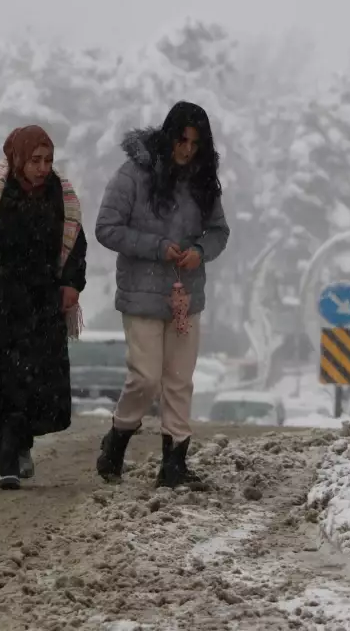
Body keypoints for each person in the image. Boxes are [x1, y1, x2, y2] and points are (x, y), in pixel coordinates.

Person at [94, 101, 229, 488]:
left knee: (179, 380)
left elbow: (219, 232)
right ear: (168, 136)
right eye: (182, 140)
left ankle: (175, 463)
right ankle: (118, 437)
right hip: (142, 294)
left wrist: (200, 252)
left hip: (186, 296)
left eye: (195, 143)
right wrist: (156, 247)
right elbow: (106, 227)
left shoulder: (204, 182)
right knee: (146, 379)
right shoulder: (134, 175)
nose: (187, 150)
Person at [0, 125, 88, 489]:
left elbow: (75, 246)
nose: (43, 168)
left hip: (41, 308)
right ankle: (5, 460)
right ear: (17, 158)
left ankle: (20, 445)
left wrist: (71, 284)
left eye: (49, 160)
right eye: (36, 160)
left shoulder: (62, 195)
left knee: (32, 384)